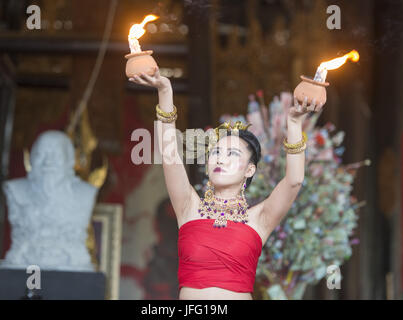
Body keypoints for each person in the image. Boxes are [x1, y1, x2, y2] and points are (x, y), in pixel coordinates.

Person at [129, 67, 324, 300]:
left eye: (232, 153)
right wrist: (165, 91)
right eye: (216, 152)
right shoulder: (188, 208)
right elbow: (170, 155)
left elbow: (294, 180)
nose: (220, 158)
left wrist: (293, 123)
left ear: (249, 169)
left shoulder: (259, 219)